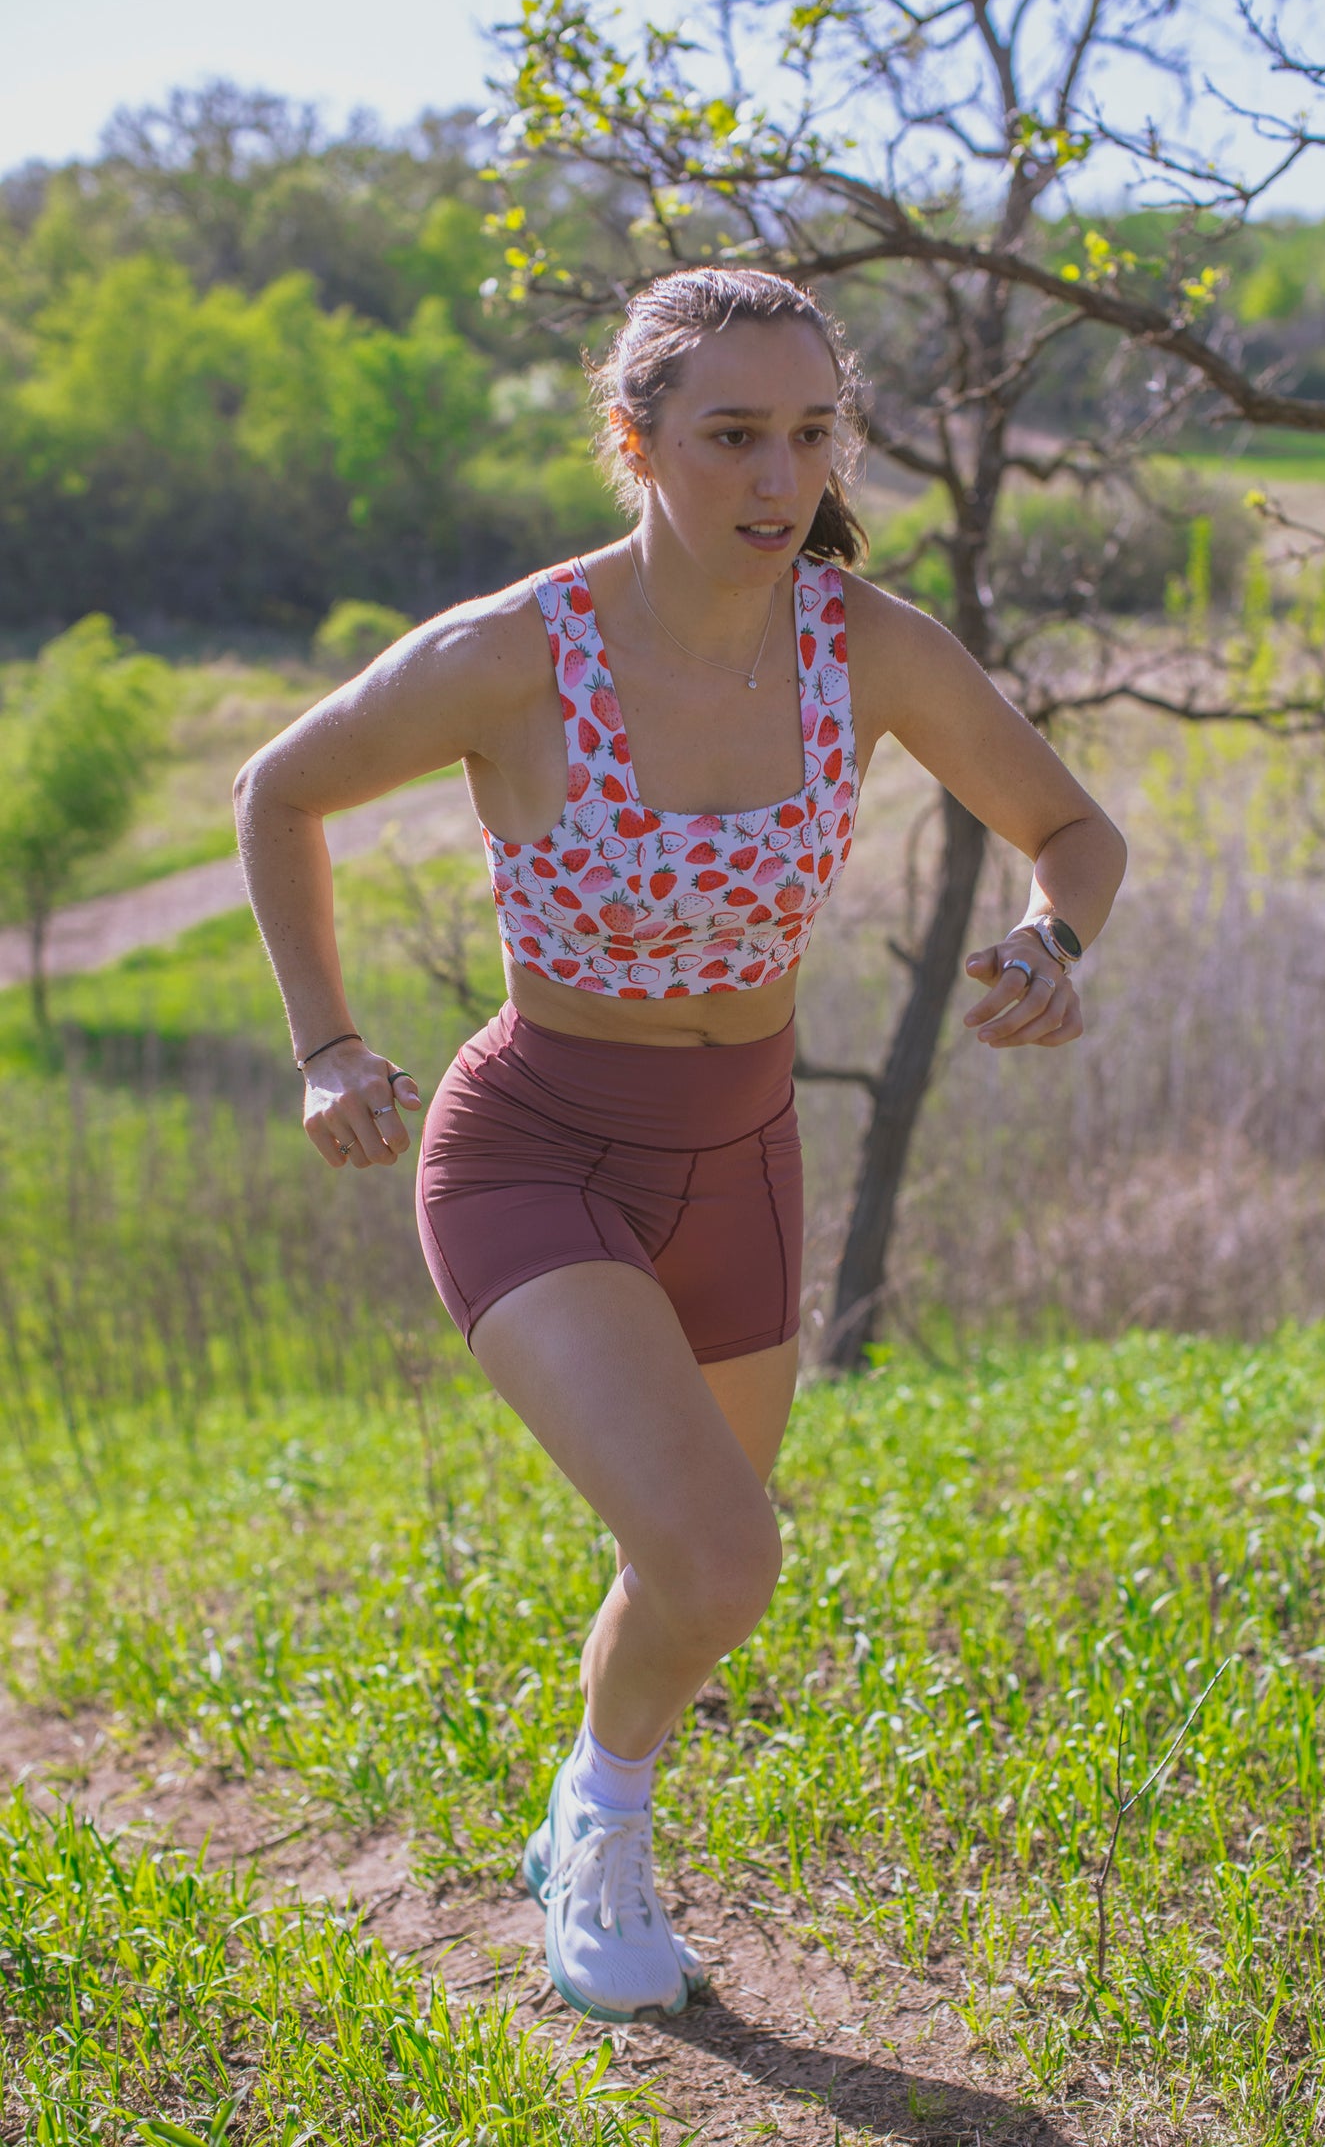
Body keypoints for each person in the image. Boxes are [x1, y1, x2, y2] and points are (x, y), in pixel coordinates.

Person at [233, 267, 1126, 2025]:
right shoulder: (511, 654)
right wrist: (328, 1045)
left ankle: (587, 1782)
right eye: (731, 435)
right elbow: (279, 789)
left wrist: (1050, 942)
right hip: (533, 1151)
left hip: (745, 1164)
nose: (775, 474)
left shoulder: (861, 642)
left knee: (688, 1561)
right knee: (724, 1553)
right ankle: (611, 1841)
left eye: (808, 433)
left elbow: (1071, 829)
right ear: (635, 445)